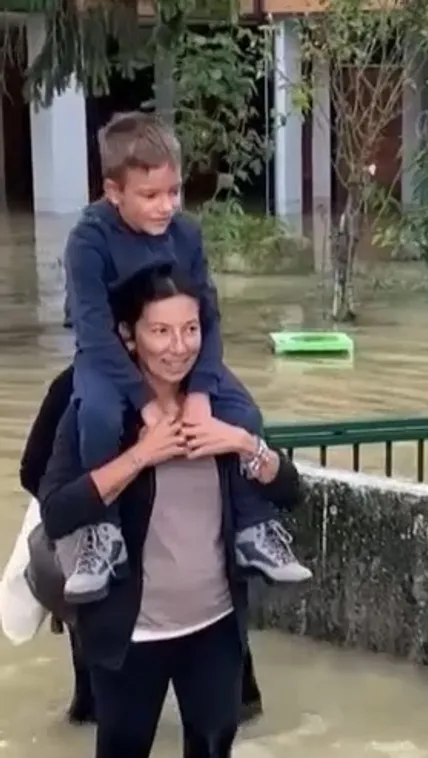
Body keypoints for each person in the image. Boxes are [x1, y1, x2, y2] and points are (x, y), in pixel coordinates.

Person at [39, 268, 301, 757]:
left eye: (191, 329)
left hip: (216, 626)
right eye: (160, 331)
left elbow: (289, 492)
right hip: (129, 631)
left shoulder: (220, 402)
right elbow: (55, 511)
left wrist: (245, 446)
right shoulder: (90, 405)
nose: (178, 347)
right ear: (128, 336)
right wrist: (140, 455)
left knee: (212, 745)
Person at [61, 111, 310, 604]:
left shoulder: (187, 235)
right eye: (150, 196)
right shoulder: (88, 241)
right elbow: (92, 332)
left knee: (242, 412)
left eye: (173, 192)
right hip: (113, 356)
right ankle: (102, 534)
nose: (166, 206)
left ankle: (253, 529)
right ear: (114, 192)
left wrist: (199, 394)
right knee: (99, 415)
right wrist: (147, 404)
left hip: (182, 350)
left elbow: (209, 318)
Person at [19, 364, 265, 727]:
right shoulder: (208, 383)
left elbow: (33, 474)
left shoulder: (206, 388)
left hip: (157, 573)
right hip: (150, 562)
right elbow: (39, 479)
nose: (175, 347)